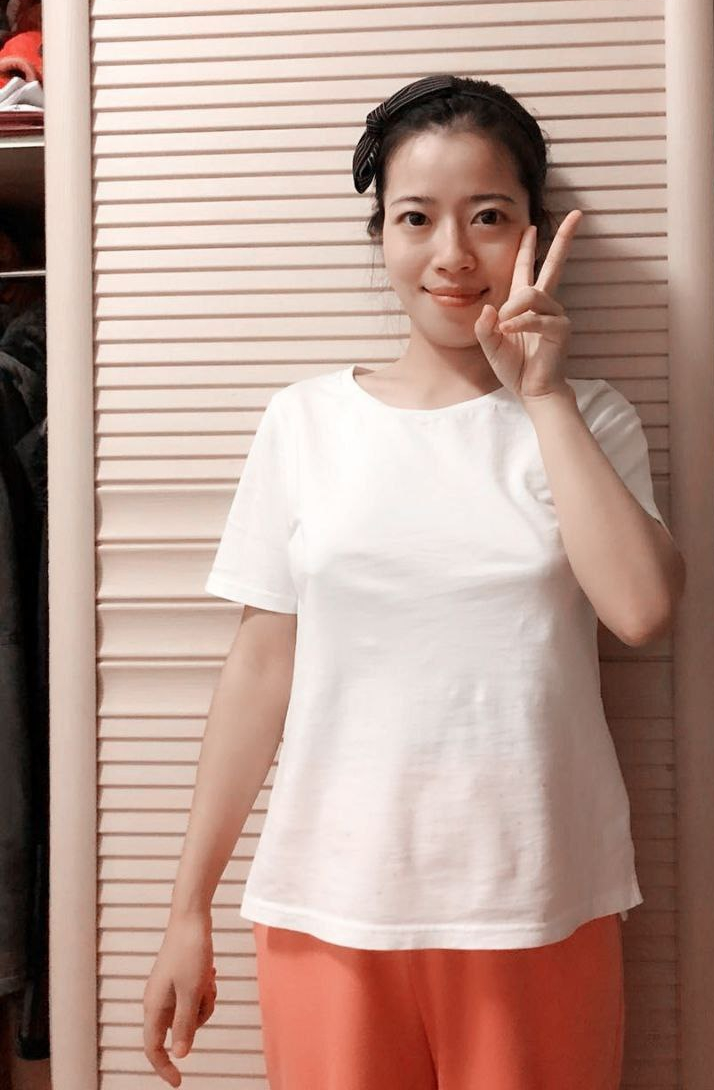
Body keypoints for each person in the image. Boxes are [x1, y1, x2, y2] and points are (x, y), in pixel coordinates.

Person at [142, 74, 685, 1089]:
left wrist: (545, 396)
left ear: (533, 233)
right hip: (327, 905)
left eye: (489, 216)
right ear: (380, 235)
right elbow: (259, 669)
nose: (453, 254)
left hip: (538, 900)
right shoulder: (304, 423)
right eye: (416, 217)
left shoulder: (589, 418)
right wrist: (187, 908)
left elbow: (643, 610)